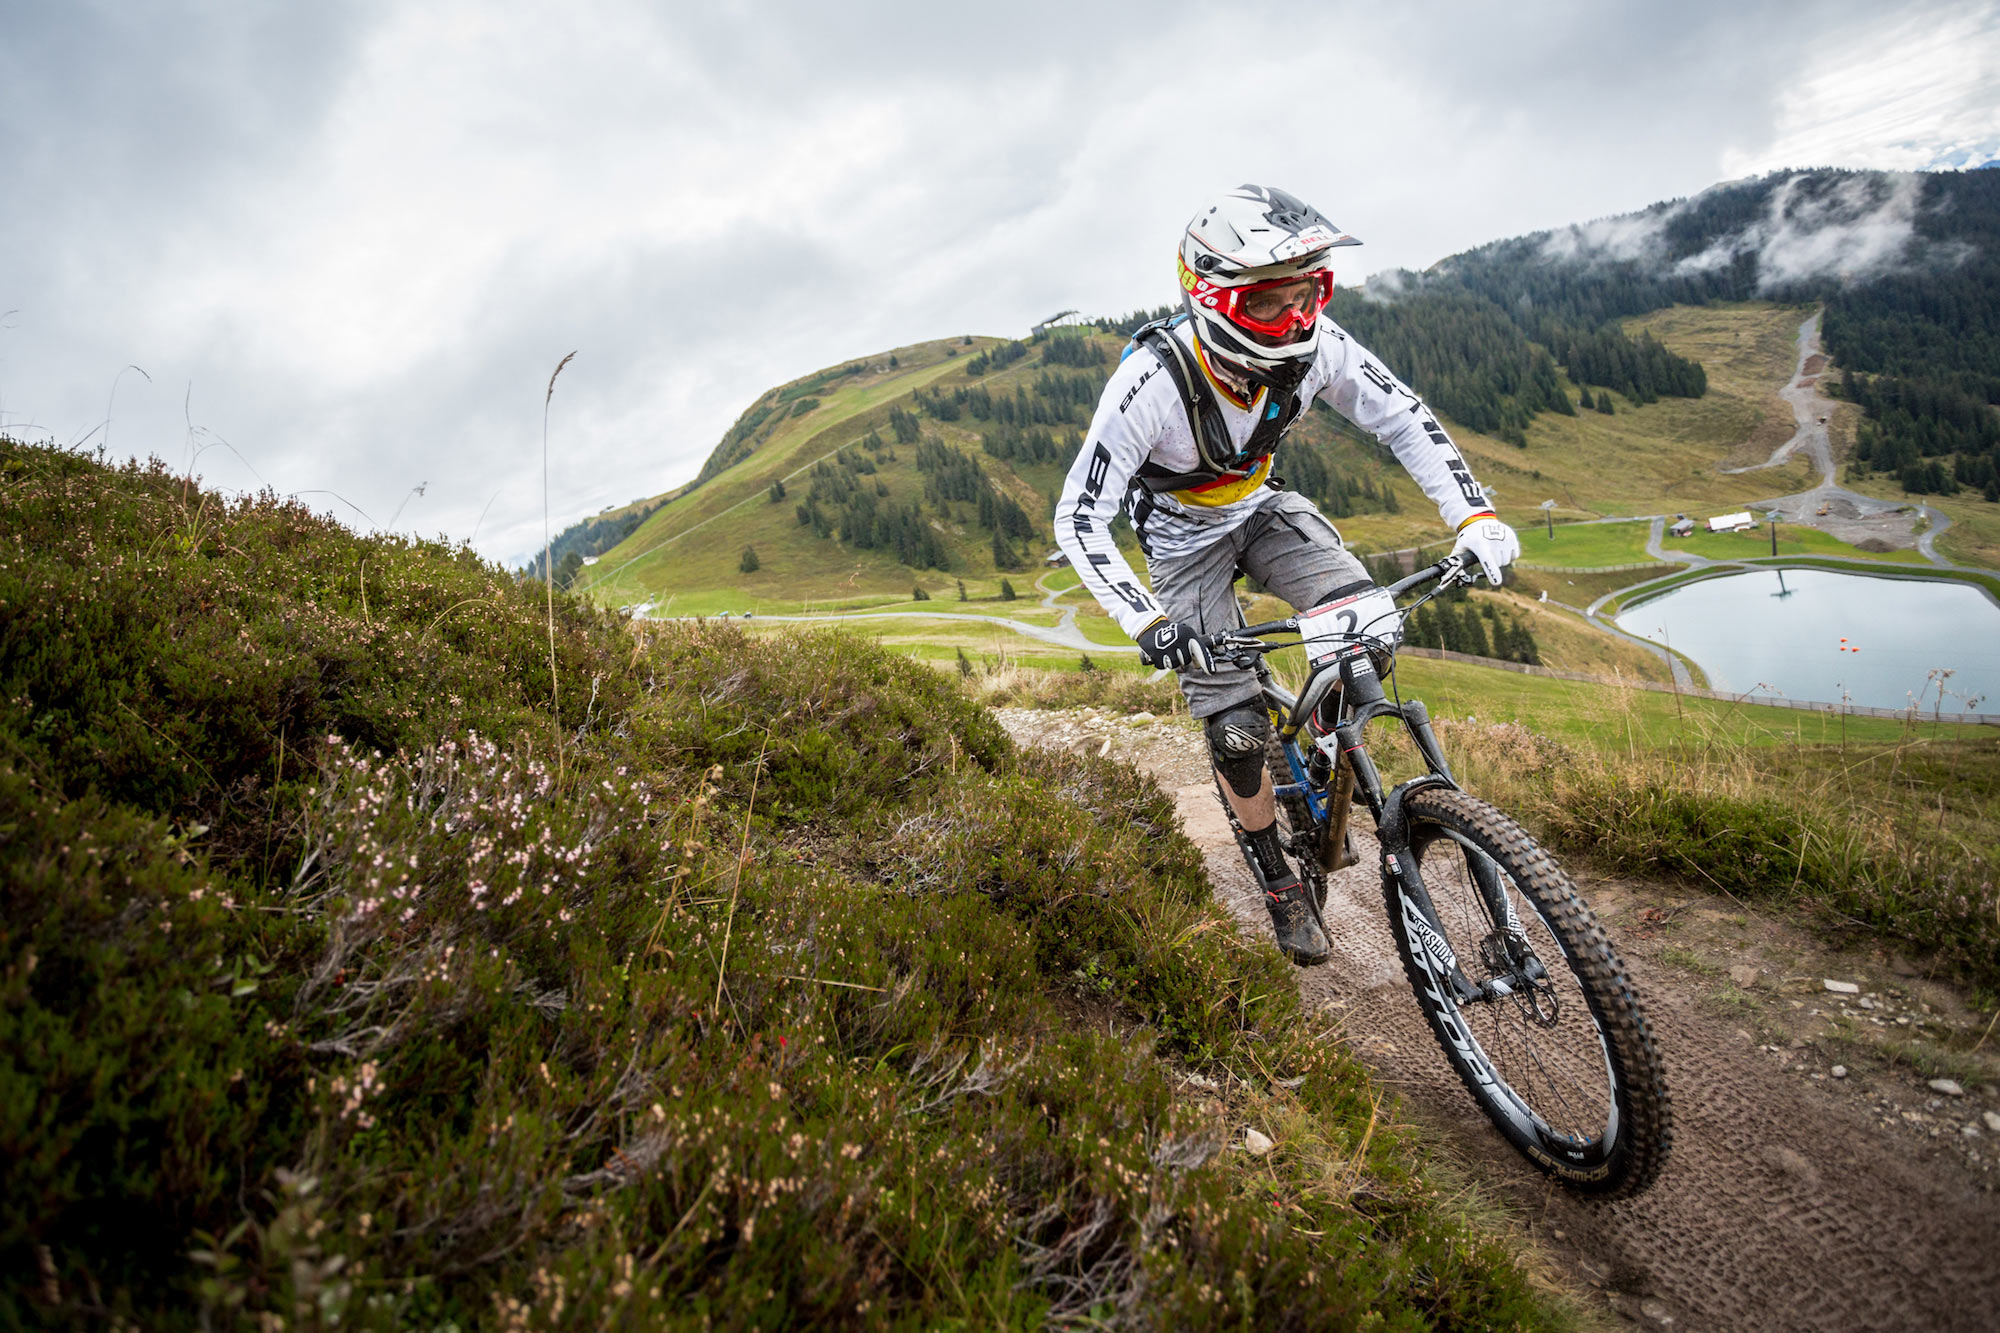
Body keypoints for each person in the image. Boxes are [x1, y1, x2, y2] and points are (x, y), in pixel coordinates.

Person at [1051, 184, 1520, 966]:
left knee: (1362, 627)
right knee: (1236, 731)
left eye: (1311, 292)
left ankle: (1337, 750)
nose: (1299, 318)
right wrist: (1146, 620)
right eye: (1272, 302)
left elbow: (1401, 415)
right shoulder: (1151, 382)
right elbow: (1078, 515)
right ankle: (1278, 880)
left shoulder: (1322, 345)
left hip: (1266, 510)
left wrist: (1473, 515)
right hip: (1181, 545)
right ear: (1212, 297)